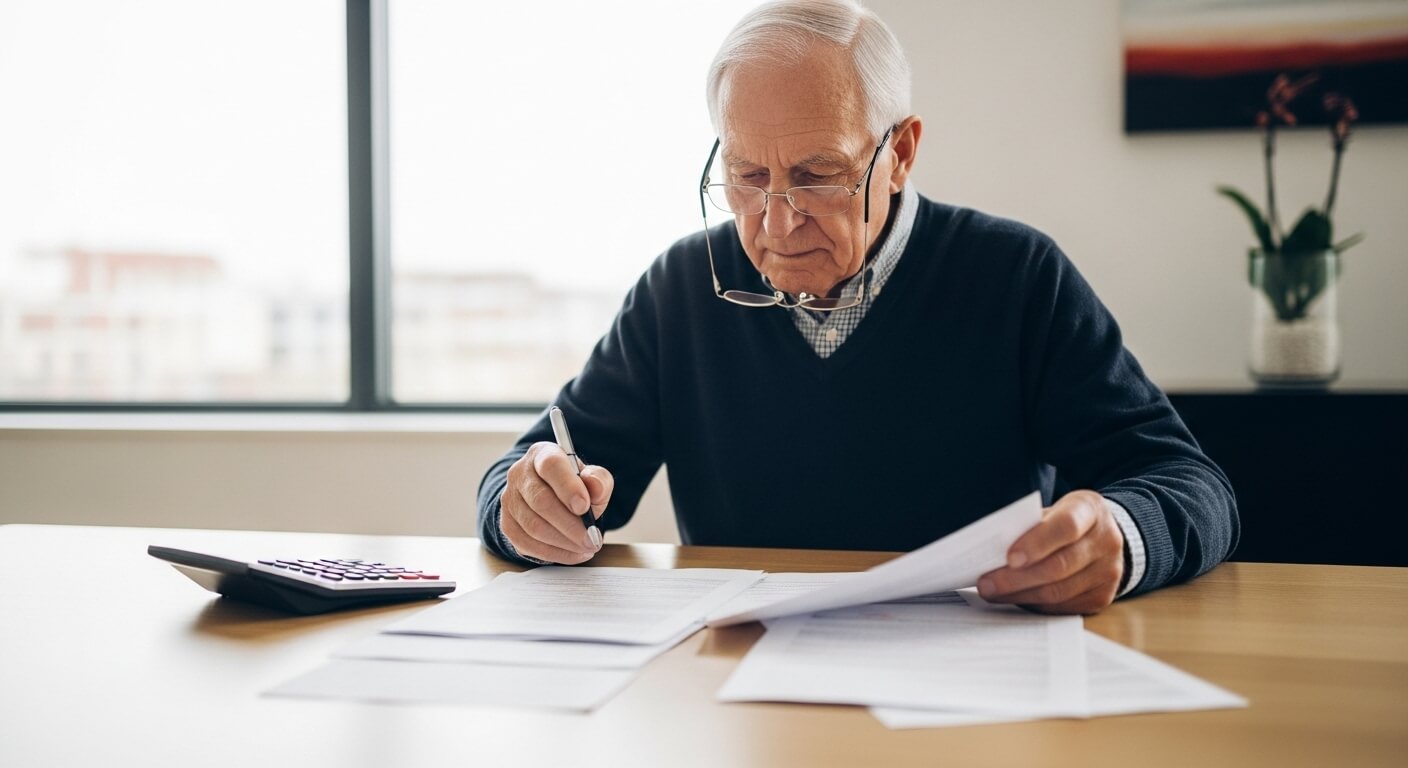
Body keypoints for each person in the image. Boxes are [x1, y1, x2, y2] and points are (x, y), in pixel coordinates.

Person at [476, 0, 1237, 615]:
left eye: (816, 175)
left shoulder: (1015, 276)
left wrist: (1122, 536)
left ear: (900, 153)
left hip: (969, 689)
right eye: (746, 174)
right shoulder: (678, 289)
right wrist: (526, 503)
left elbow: (1189, 483)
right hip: (742, 697)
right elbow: (533, 465)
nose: (776, 220)